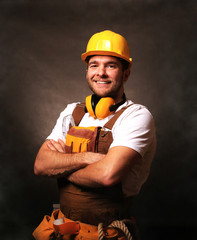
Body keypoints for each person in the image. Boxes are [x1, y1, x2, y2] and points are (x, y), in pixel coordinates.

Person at [33, 30, 156, 240]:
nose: (101, 72)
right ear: (87, 70)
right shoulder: (72, 112)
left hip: (104, 233)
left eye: (111, 65)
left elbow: (107, 175)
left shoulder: (137, 116)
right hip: (62, 228)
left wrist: (60, 166)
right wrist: (86, 158)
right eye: (94, 65)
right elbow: (40, 165)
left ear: (126, 73)